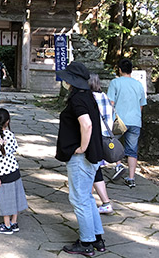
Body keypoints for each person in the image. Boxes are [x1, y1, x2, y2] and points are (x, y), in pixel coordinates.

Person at [56, 62, 106, 256]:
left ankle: (86, 243)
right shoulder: (88, 96)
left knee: (79, 199)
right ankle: (97, 239)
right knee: (87, 198)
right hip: (93, 156)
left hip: (82, 157)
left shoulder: (78, 99)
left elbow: (86, 125)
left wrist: (81, 148)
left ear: (72, 80)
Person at [0, 108, 28, 235]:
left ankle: (7, 225)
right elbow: (14, 149)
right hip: (14, 170)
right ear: (7, 121)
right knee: (15, 197)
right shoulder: (10, 134)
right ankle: (14, 222)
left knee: (5, 199)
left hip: (2, 173)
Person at [107, 58, 147, 188]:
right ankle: (131, 177)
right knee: (132, 150)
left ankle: (118, 165)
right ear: (131, 70)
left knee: (112, 143)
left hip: (119, 120)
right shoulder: (138, 84)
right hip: (135, 120)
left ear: (119, 69)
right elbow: (142, 104)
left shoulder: (115, 82)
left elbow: (110, 103)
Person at [88, 73, 114, 215]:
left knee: (94, 169)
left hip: (95, 137)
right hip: (105, 136)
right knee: (93, 169)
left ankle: (105, 202)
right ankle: (88, 196)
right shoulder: (104, 96)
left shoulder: (90, 98)